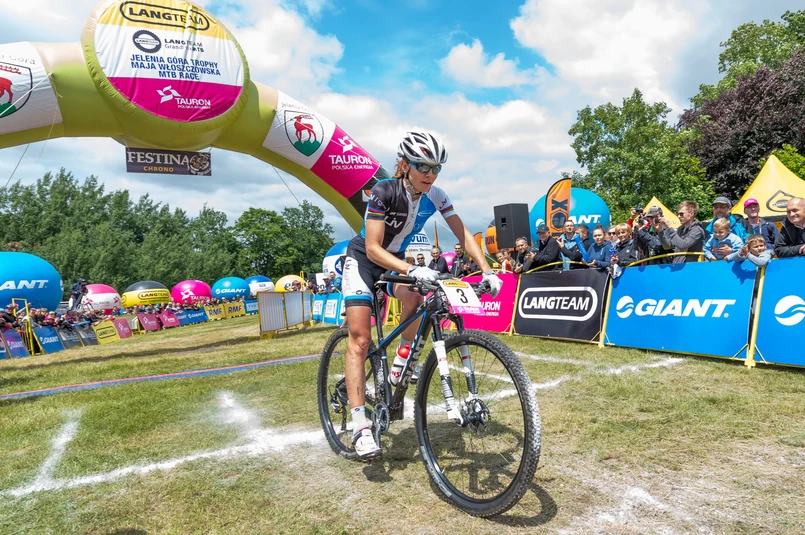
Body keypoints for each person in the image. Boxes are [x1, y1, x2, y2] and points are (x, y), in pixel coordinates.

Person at [342, 131, 502, 460]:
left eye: (436, 168)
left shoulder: (437, 196)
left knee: (417, 297)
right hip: (364, 261)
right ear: (405, 165)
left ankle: (400, 364)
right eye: (423, 167)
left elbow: (462, 233)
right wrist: (413, 268)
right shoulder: (384, 191)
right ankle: (360, 428)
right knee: (360, 339)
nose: (430, 174)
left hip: (395, 262)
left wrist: (487, 269)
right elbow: (372, 248)